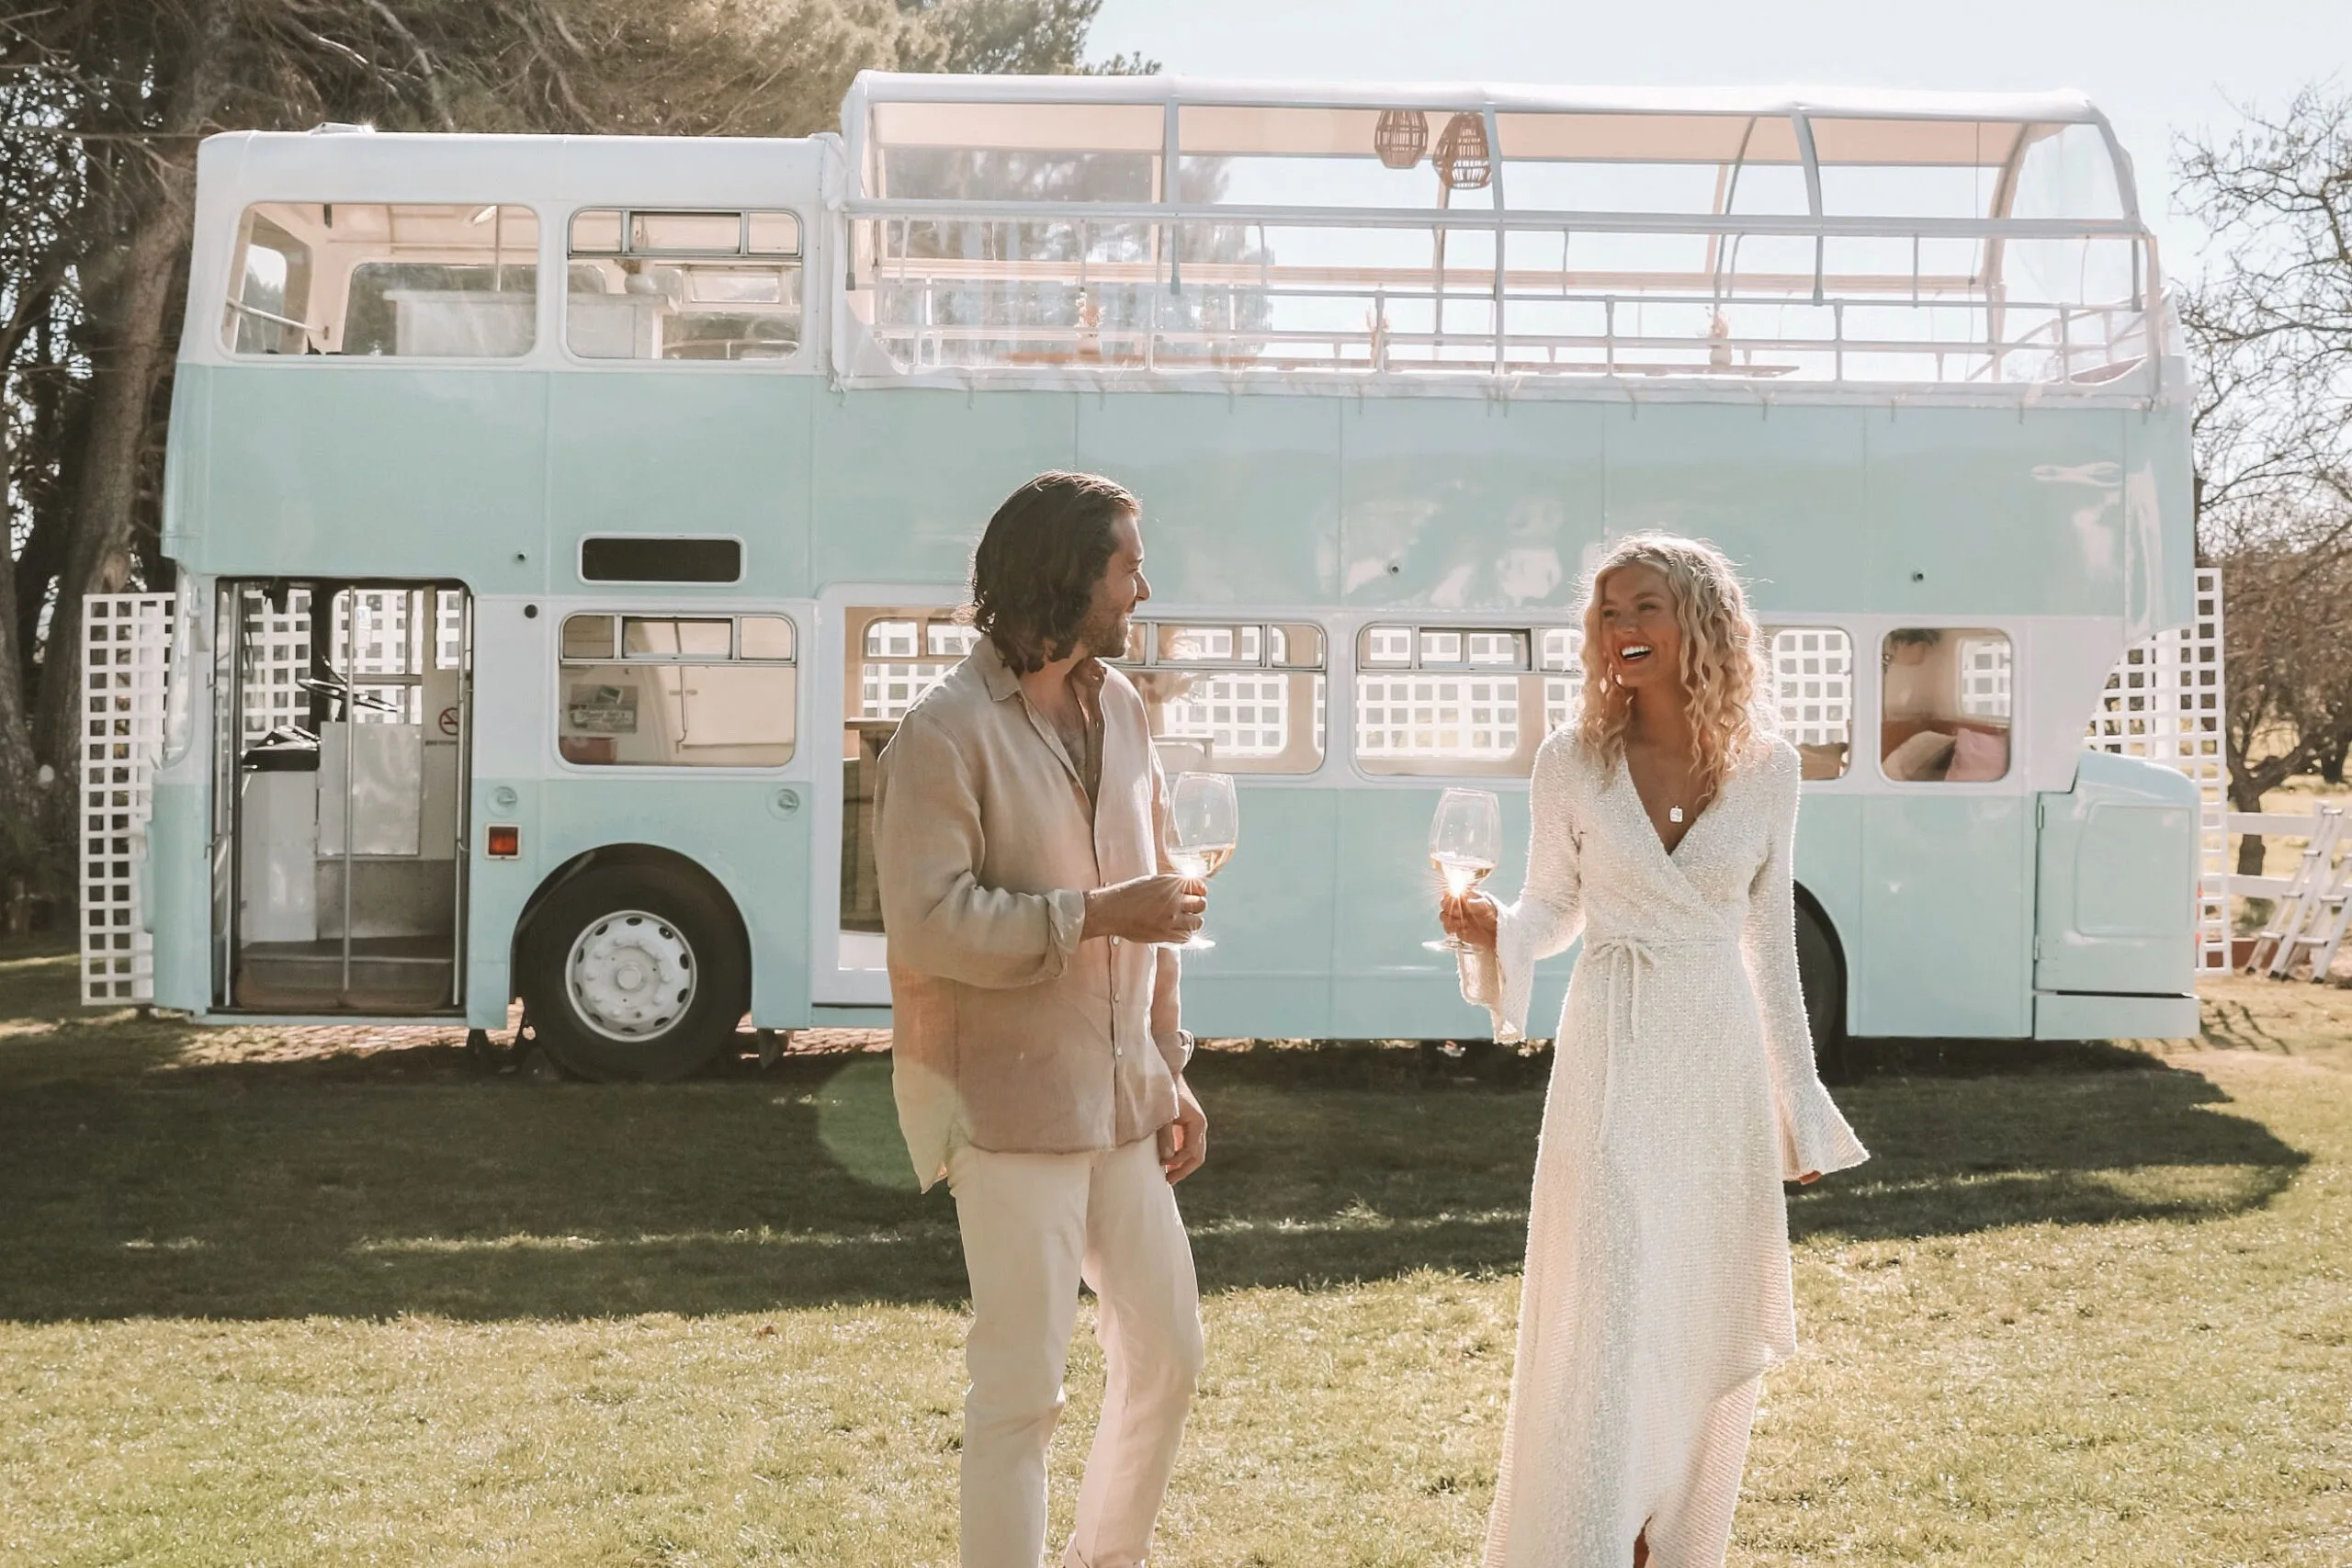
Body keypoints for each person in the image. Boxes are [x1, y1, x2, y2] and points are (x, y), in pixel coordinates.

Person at [1440, 532, 1870, 1568]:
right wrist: (1496, 930)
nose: (1620, 630)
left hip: (1715, 1059)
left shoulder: (1767, 769)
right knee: (1617, 1289)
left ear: (1701, 627)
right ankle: (1597, 1530)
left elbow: (1769, 943)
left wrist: (1797, 1104)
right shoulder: (1571, 761)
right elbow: (1553, 909)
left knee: (1698, 1296)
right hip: (1613, 1053)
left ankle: (1672, 1540)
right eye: (1607, 613)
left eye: (1644, 609)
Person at [874, 470, 1211, 1568]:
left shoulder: (1119, 707)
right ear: (1068, 576)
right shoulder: (942, 733)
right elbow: (929, 924)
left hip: (1121, 1104)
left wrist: (1170, 1066)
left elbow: (1158, 900)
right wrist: (1096, 914)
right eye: (1127, 565)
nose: (1143, 588)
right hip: (1005, 1110)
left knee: (1168, 1355)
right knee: (1021, 1390)